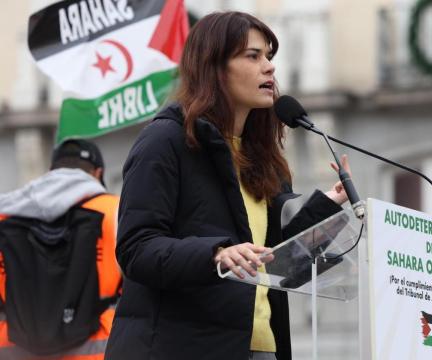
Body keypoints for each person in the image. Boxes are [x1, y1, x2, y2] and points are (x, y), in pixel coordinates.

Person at [104, 11, 352, 360]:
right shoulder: (165, 141)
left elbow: (274, 263)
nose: (269, 67)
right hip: (181, 347)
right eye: (253, 56)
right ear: (214, 66)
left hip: (260, 347)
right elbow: (136, 248)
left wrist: (327, 207)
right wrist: (215, 254)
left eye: (269, 56)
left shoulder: (265, 160)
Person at [0, 139, 121, 359]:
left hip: (14, 351)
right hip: (97, 352)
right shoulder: (115, 212)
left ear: (51, 171)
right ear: (98, 173)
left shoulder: (5, 214)